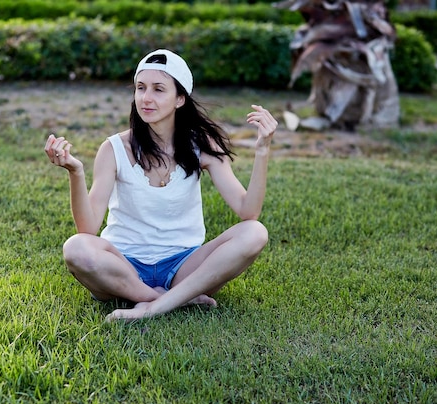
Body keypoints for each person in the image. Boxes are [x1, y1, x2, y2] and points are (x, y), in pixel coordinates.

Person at [44, 49, 278, 322]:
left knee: (254, 233)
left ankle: (153, 306)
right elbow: (88, 228)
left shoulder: (201, 146)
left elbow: (247, 212)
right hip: (123, 266)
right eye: (140, 88)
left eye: (158, 89)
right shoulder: (114, 148)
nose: (146, 98)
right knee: (76, 248)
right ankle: (176, 298)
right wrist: (76, 171)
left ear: (180, 99)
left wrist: (263, 150)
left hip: (184, 266)